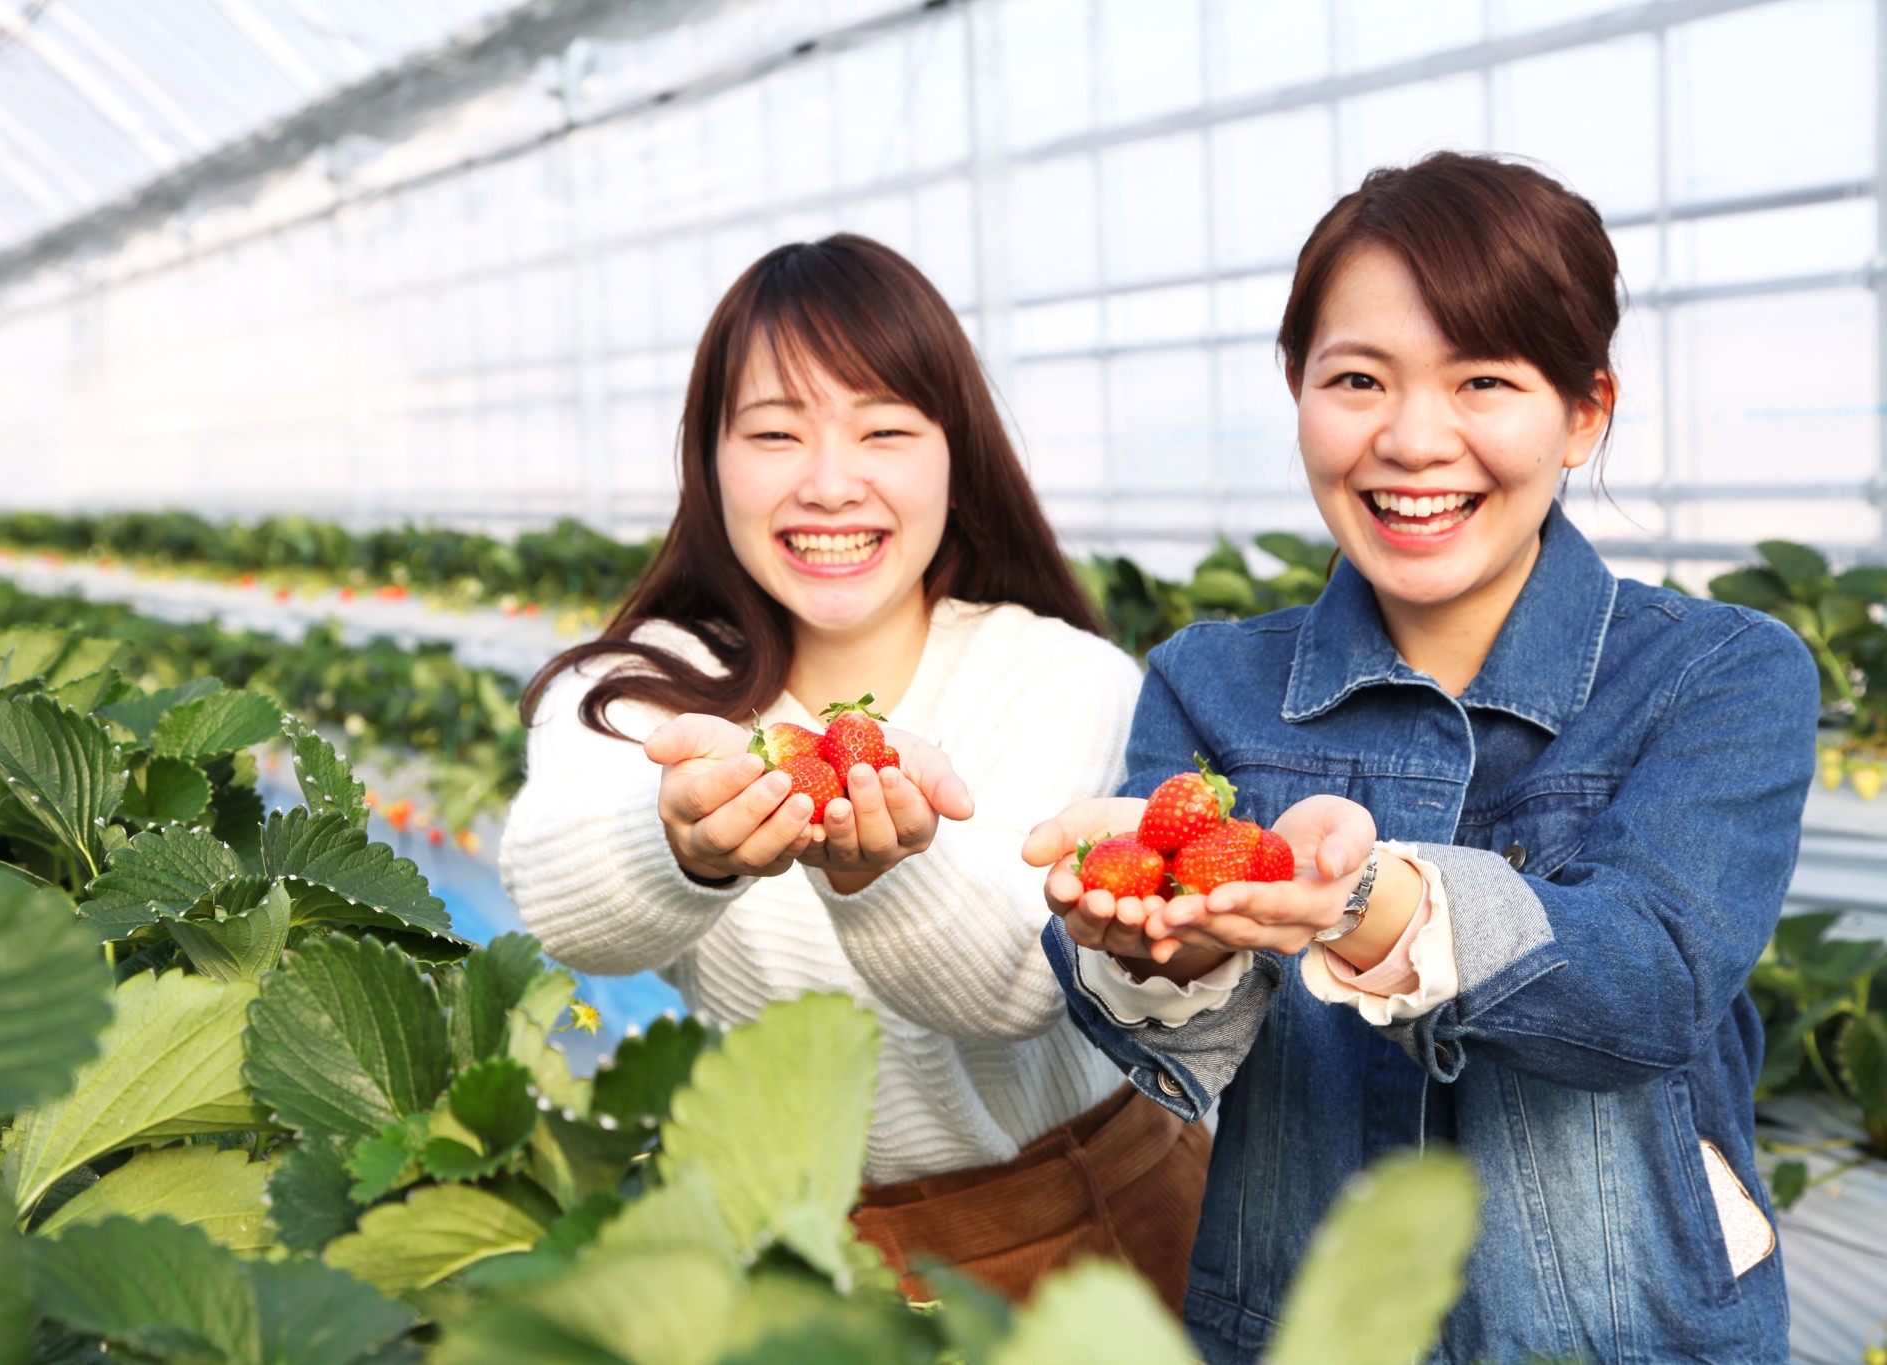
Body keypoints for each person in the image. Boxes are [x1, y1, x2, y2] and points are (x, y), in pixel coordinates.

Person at [1025, 154, 1815, 1365]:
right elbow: (1181, 1049)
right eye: (1355, 379)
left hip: (1626, 1333)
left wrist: (1371, 900)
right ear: (1296, 388)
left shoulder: (1717, 673)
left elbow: (1651, 985)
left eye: (1483, 379)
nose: (1409, 438)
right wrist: (1154, 954)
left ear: (1582, 411)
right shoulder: (1210, 682)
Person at [502, 234, 1210, 1308]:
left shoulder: (1060, 675)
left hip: (1094, 1225)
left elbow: (1029, 980)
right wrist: (676, 841)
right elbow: (566, 906)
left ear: (953, 456)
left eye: (882, 430)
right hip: (793, 1252)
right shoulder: (634, 693)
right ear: (709, 458)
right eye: (774, 434)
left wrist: (885, 867)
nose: (829, 485)